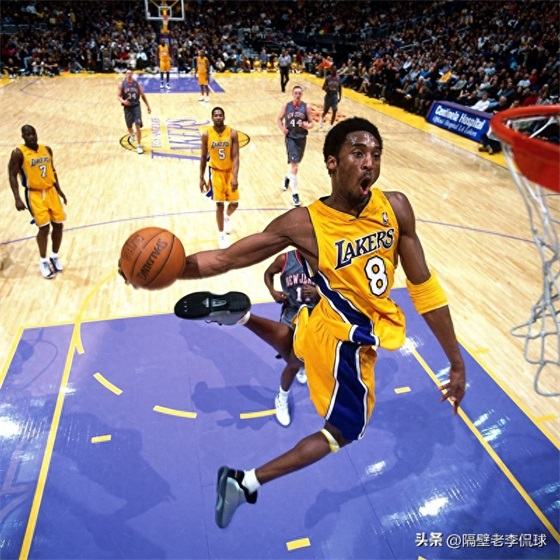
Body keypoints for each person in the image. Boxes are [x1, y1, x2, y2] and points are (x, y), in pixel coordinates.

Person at [121, 117, 466, 529]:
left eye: (376, 155)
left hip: (318, 319)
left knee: (293, 352)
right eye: (358, 153)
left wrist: (455, 358)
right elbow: (227, 258)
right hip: (346, 339)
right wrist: (167, 270)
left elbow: (424, 289)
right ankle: (244, 482)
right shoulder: (304, 224)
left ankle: (241, 316)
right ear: (331, 162)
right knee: (343, 431)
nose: (369, 163)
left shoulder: (395, 208)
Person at [263, 249, 319, 426]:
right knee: (293, 362)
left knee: (308, 355)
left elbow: (341, 288)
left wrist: (319, 292)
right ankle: (282, 397)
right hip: (292, 315)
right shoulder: (285, 260)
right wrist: (273, 291)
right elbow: (268, 273)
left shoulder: (328, 257)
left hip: (317, 316)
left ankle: (304, 366)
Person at [8, 125, 67, 279]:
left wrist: (59, 190)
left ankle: (54, 256)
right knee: (44, 228)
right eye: (28, 135)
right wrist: (17, 198)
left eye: (33, 134)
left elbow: (52, 170)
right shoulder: (18, 153)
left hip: (51, 191)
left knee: (58, 225)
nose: (31, 137)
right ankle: (43, 261)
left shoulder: (46, 149)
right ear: (23, 137)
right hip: (34, 194)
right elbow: (12, 175)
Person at [199, 106, 240, 249]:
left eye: (220, 115)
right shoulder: (206, 135)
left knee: (234, 203)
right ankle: (221, 235)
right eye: (215, 115)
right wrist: (201, 177)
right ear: (212, 118)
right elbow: (203, 157)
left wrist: (235, 177)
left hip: (229, 172)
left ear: (224, 117)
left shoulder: (232, 133)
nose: (218, 117)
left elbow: (236, 156)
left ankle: (227, 217)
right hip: (215, 172)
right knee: (219, 204)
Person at [277, 85, 314, 207]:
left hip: (301, 138)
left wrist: (307, 126)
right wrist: (282, 129)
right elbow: (279, 119)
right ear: (292, 94)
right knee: (295, 165)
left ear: (302, 95)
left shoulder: (306, 107)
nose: (297, 95)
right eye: (296, 93)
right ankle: (295, 194)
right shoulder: (286, 106)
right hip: (290, 138)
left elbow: (311, 123)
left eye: (299, 93)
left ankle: (287, 177)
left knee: (295, 165)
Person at [117, 69, 151, 154]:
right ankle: (132, 134)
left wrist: (147, 106)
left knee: (137, 125)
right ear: (125, 74)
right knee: (129, 127)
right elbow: (118, 96)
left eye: (130, 73)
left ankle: (139, 145)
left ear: (132, 74)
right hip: (127, 107)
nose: (129, 74)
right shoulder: (121, 84)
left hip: (136, 106)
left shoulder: (137, 84)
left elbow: (143, 95)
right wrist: (123, 101)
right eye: (127, 73)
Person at [319, 65, 342, 131]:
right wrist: (326, 88)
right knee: (325, 111)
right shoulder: (328, 78)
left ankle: (331, 126)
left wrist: (340, 97)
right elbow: (323, 87)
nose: (334, 70)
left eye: (335, 69)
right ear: (331, 70)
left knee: (334, 111)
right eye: (333, 69)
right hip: (328, 95)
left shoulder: (338, 78)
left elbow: (340, 88)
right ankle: (322, 119)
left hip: (335, 96)